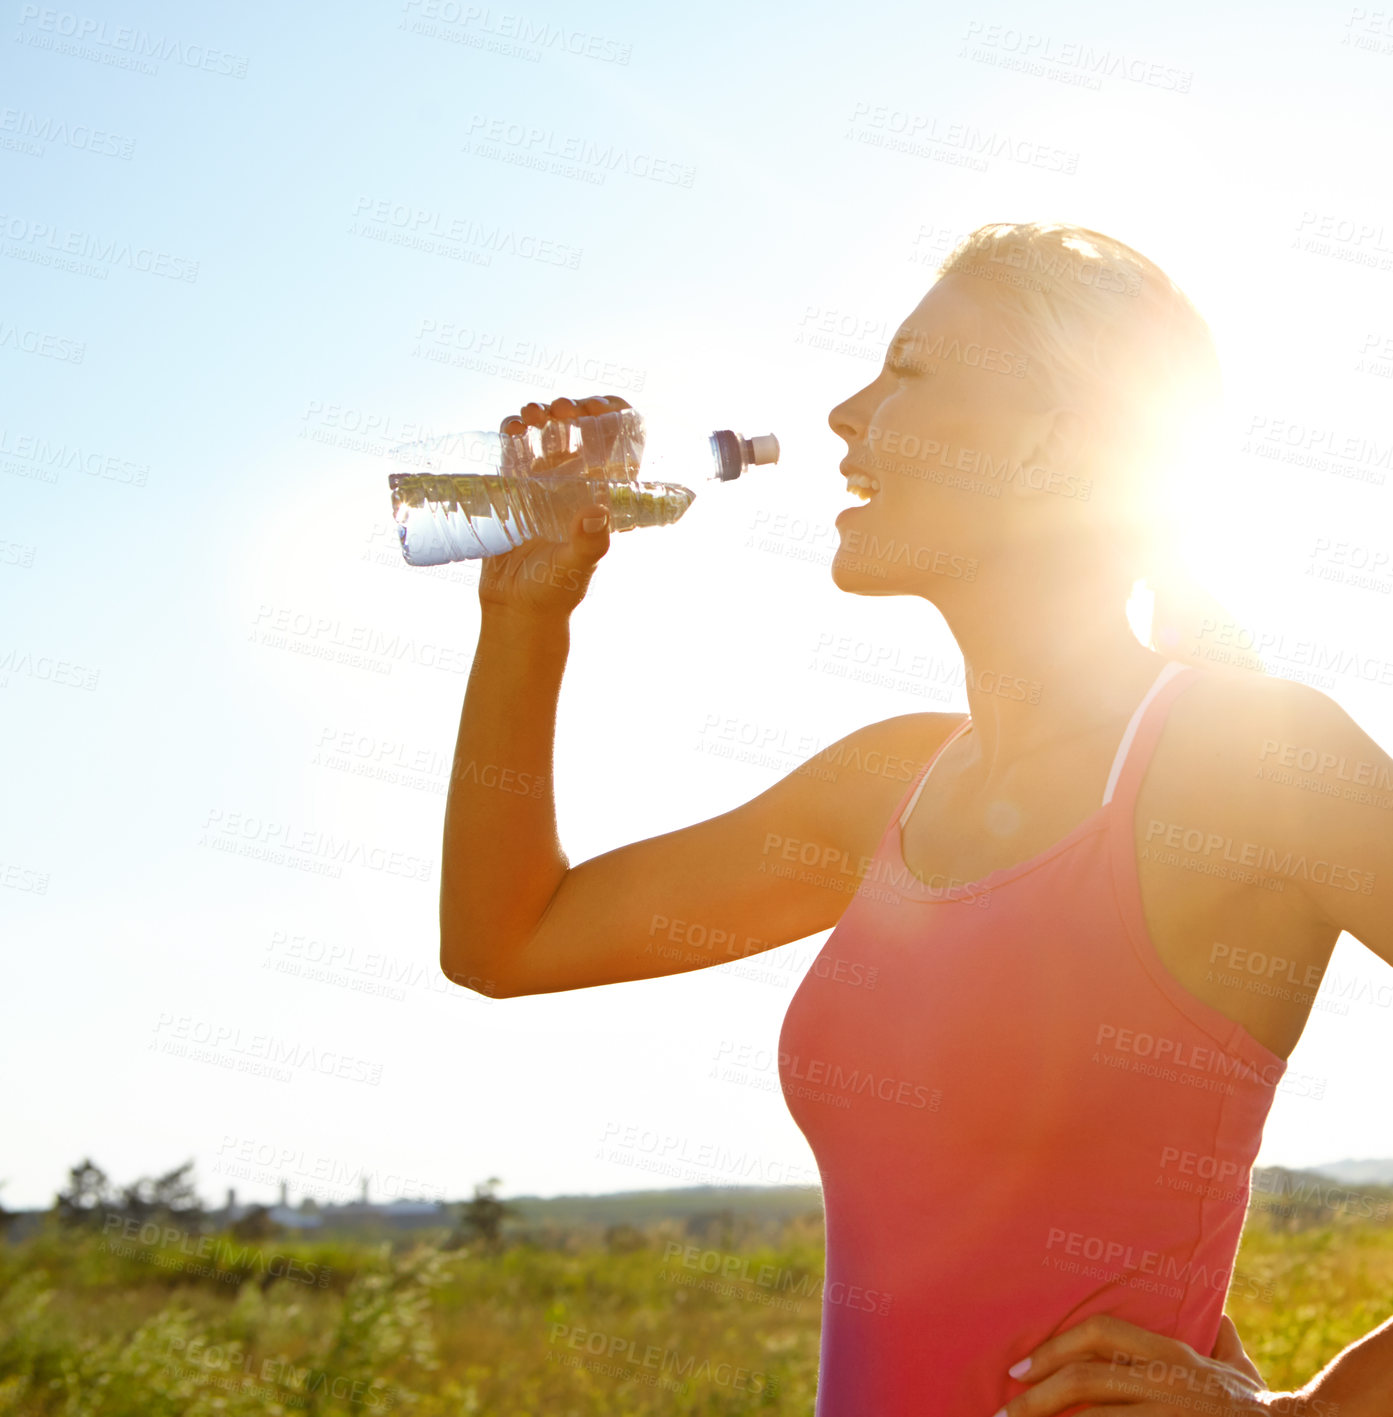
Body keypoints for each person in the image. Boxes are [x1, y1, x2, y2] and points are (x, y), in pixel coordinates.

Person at [439, 221, 1393, 1416]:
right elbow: (506, 939)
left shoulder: (1254, 759)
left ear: (1052, 437)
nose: (846, 413)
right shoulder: (884, 785)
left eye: (910, 371)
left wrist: (1323, 1410)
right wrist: (525, 618)